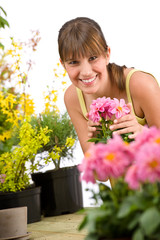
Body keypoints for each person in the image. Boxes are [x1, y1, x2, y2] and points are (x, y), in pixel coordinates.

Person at [58, 17, 160, 154]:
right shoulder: (73, 98)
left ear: (107, 54)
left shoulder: (141, 85)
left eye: (93, 58)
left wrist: (144, 134)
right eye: (73, 62)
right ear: (63, 64)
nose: (86, 72)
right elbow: (97, 174)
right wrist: (96, 144)